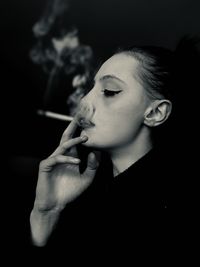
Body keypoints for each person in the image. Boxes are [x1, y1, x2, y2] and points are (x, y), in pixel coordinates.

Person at [29, 37, 199, 257]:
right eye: (91, 88)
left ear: (156, 113)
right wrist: (46, 213)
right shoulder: (82, 189)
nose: (84, 102)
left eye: (109, 91)